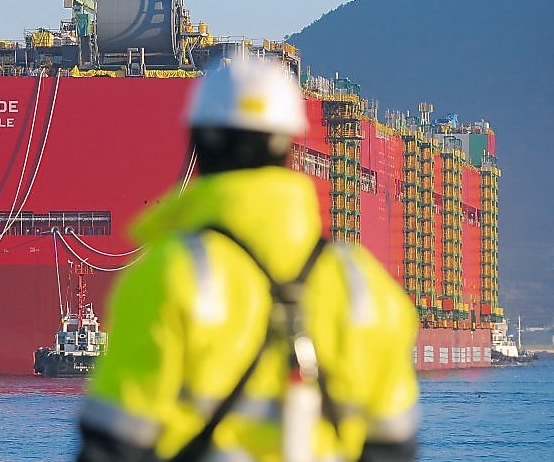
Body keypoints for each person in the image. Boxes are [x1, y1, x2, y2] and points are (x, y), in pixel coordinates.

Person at [78, 55, 420, 462]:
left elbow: (112, 446)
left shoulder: (170, 274)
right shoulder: (362, 284)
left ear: (198, 143)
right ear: (291, 147)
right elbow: (394, 446)